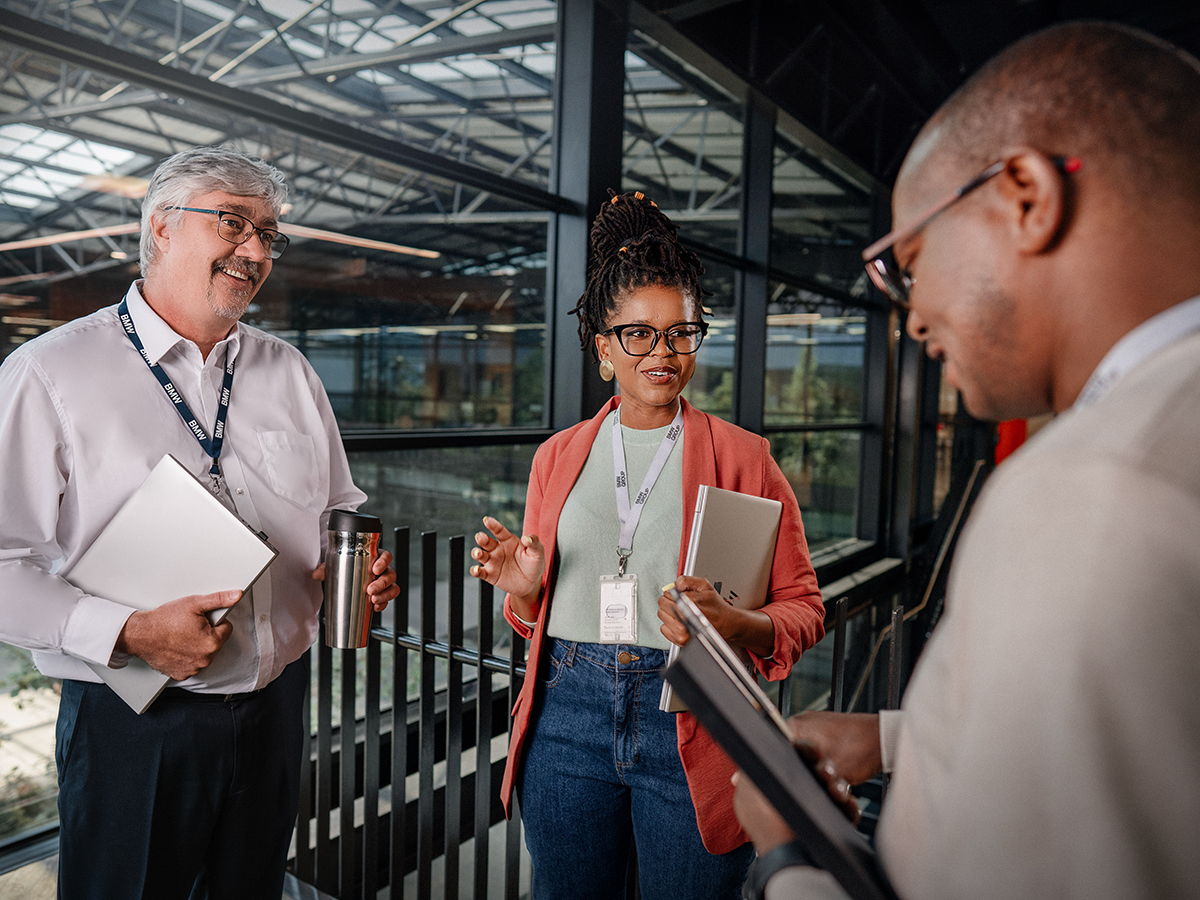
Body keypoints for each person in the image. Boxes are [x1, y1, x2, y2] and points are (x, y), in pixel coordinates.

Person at [732, 20, 1200, 900]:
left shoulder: (1096, 491)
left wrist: (793, 854)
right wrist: (899, 739)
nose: (910, 320)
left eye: (908, 263)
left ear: (1024, 195)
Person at [0, 146, 400, 899]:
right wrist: (127, 632)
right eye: (232, 223)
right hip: (134, 722)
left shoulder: (290, 371)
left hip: (276, 707)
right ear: (160, 229)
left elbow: (338, 505)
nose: (254, 250)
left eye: (268, 235)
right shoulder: (50, 374)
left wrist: (352, 565)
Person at [468, 190, 826, 899]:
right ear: (604, 349)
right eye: (637, 334)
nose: (660, 352)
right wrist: (527, 592)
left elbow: (803, 609)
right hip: (565, 713)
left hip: (694, 714)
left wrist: (734, 624)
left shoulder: (746, 458)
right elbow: (534, 617)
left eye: (679, 332)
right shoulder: (557, 457)